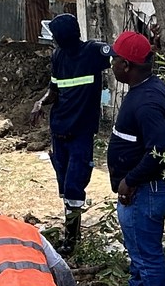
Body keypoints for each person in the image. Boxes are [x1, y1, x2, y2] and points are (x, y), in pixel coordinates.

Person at [106, 29, 165, 286]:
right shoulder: (146, 88)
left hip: (145, 189)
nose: (111, 65)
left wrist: (130, 180)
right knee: (137, 247)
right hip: (141, 188)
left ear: (127, 65)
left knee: (147, 252)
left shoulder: (147, 102)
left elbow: (160, 150)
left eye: (114, 60)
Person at [33, 12, 112, 251]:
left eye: (55, 36)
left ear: (63, 36)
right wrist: (41, 102)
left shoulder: (93, 51)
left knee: (74, 186)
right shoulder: (58, 57)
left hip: (81, 133)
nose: (53, 40)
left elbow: (119, 55)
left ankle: (71, 239)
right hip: (59, 131)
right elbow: (54, 90)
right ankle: (71, 229)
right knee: (64, 186)